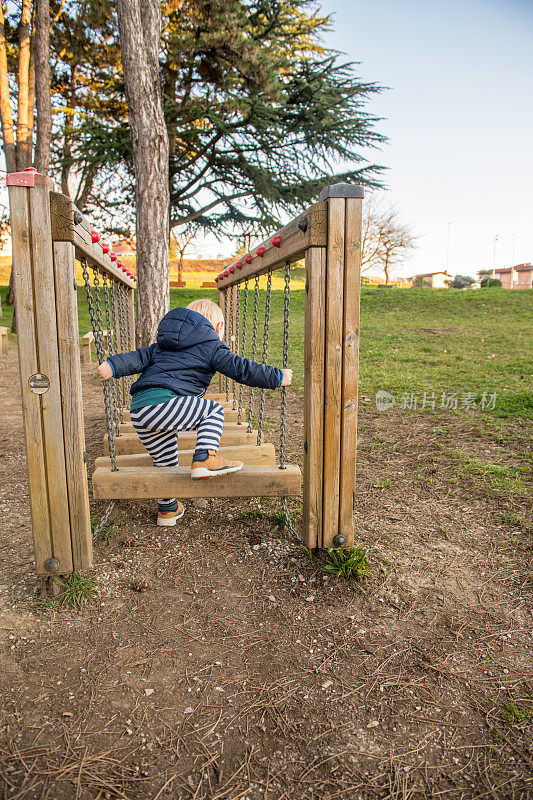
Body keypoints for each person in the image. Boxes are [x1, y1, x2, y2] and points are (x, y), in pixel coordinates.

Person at [98, 298, 292, 527]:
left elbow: (136, 358)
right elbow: (242, 369)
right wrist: (276, 376)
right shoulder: (212, 345)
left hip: (140, 411)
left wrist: (111, 366)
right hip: (168, 404)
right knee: (212, 411)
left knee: (164, 461)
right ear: (218, 328)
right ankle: (205, 458)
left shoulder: (161, 345)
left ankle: (168, 510)